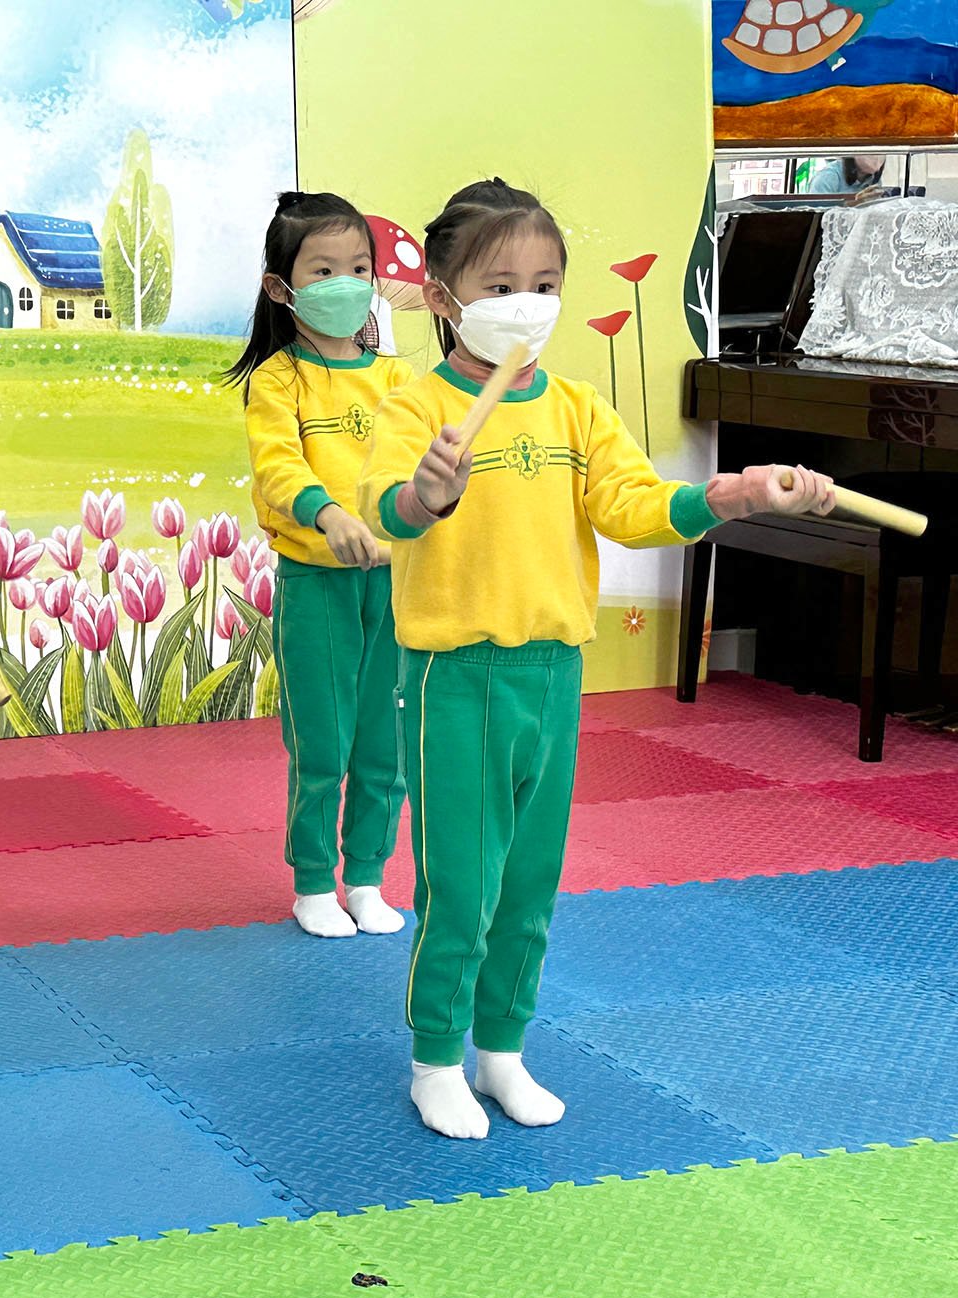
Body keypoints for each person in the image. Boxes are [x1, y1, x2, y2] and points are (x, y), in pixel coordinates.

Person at [358, 178, 835, 1140]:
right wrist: (426, 494)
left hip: (553, 674)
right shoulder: (417, 408)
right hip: (456, 678)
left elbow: (635, 506)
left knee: (531, 884)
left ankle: (502, 1050)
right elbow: (386, 513)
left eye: (544, 284)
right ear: (444, 297)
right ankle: (436, 1059)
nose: (527, 304)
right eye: (500, 286)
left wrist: (731, 496)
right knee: (463, 885)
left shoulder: (575, 410)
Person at [225, 191, 412, 940]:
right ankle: (312, 882)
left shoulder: (397, 380)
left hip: (396, 583)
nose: (346, 283)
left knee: (385, 744)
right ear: (282, 287)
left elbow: (416, 466)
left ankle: (365, 876)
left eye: (359, 268)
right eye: (324, 270)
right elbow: (277, 466)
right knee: (323, 743)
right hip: (317, 582)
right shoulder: (278, 380)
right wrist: (329, 515)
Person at [801, 155, 884, 196]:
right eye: (870, 150)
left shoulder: (873, 178)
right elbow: (816, 216)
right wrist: (856, 203)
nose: (877, 157)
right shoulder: (828, 177)